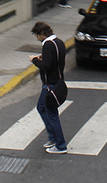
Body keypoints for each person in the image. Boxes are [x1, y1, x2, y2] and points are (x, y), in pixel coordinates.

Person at [30, 21, 67, 154]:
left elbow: (46, 65)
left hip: (49, 84)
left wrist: (34, 60)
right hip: (57, 82)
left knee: (51, 114)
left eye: (37, 35)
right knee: (41, 108)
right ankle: (52, 138)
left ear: (41, 34)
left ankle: (60, 145)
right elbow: (55, 60)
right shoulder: (59, 42)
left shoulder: (47, 45)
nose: (37, 38)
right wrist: (43, 57)